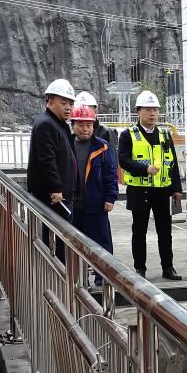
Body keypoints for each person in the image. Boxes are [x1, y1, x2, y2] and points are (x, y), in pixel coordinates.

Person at [117, 90, 183, 280]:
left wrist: (177, 188)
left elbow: (172, 163)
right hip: (139, 190)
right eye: (147, 110)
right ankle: (140, 268)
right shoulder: (129, 135)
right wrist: (145, 168)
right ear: (138, 111)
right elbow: (123, 160)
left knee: (165, 231)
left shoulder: (165, 134)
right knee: (139, 231)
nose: (152, 113)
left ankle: (168, 267)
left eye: (155, 110)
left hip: (162, 191)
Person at [27, 78, 78, 257]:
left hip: (62, 194)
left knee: (62, 237)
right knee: (60, 238)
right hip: (54, 197)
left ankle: (62, 268)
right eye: (63, 103)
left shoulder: (58, 124)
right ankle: (61, 270)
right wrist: (56, 188)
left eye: (70, 103)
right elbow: (47, 160)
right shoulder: (47, 124)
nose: (68, 107)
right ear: (49, 101)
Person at [68, 104, 118, 264]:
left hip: (96, 205)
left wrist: (110, 197)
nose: (85, 129)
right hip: (73, 206)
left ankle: (101, 276)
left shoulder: (102, 146)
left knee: (102, 246)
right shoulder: (66, 144)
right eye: (81, 125)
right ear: (73, 125)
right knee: (74, 245)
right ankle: (78, 276)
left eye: (89, 125)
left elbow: (111, 173)